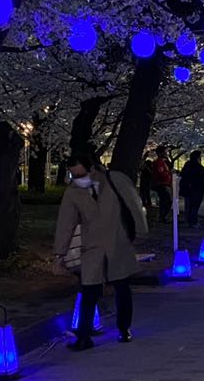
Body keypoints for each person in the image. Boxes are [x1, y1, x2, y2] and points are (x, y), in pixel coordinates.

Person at [53, 151, 147, 350]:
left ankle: (124, 328)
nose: (78, 180)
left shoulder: (114, 180)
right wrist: (59, 253)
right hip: (93, 245)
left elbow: (133, 204)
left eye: (80, 175)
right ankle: (84, 336)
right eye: (73, 176)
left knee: (121, 287)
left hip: (117, 241)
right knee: (89, 290)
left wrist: (140, 230)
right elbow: (65, 223)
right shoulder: (73, 192)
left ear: (92, 168)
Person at [178, 149, 204, 228]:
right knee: (194, 206)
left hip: (187, 189)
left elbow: (182, 175)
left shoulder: (187, 164)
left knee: (188, 206)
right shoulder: (198, 167)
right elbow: (203, 179)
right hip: (196, 190)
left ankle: (188, 221)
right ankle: (193, 222)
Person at [152, 147, 174, 217]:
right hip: (162, 184)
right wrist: (169, 172)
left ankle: (163, 216)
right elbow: (161, 174)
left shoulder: (163, 162)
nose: (166, 153)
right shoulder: (159, 163)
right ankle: (163, 216)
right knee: (167, 201)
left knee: (164, 201)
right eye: (165, 152)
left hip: (165, 184)